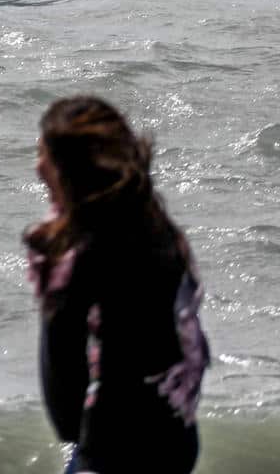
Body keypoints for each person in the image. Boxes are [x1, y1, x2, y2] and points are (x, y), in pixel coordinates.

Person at [24, 96, 210, 474]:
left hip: (114, 451)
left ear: (69, 169)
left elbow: (63, 405)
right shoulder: (160, 233)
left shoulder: (82, 255)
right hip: (175, 437)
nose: (38, 167)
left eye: (45, 155)